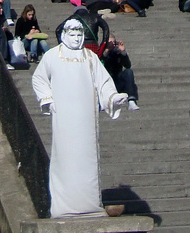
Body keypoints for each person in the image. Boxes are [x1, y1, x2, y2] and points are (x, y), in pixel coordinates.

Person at [31, 18, 128, 219]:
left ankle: (90, 204)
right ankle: (63, 206)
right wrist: (47, 98)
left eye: (78, 35)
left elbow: (104, 82)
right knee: (65, 160)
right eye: (72, 35)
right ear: (64, 35)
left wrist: (112, 97)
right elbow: (38, 78)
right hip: (64, 118)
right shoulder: (52, 56)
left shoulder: (90, 58)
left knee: (87, 160)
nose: (75, 39)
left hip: (86, 120)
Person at [102, 38, 140, 111]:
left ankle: (131, 100)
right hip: (108, 82)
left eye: (114, 43)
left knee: (128, 72)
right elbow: (100, 65)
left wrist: (123, 53)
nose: (112, 45)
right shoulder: (104, 54)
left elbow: (128, 65)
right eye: (110, 43)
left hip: (118, 81)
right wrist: (106, 51)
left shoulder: (118, 53)